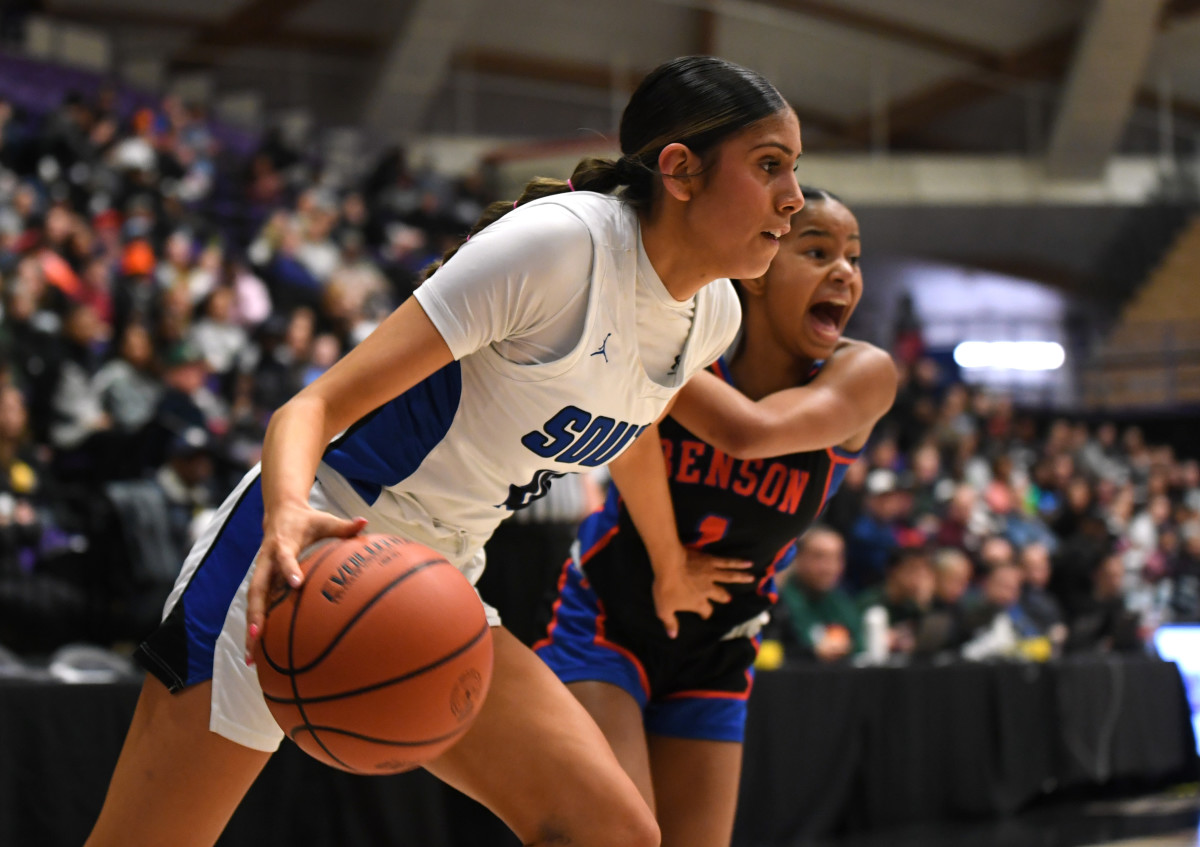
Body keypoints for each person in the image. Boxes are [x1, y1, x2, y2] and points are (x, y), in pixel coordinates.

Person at [85, 55, 803, 847]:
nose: (794, 198)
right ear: (680, 170)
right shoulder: (560, 249)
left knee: (614, 831)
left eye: (795, 170)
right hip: (307, 544)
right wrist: (287, 516)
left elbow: (630, 425)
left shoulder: (713, 317)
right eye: (770, 166)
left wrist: (668, 562)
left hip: (436, 574)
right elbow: (312, 405)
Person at [534, 187, 896, 847]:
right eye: (817, 250)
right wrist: (669, 562)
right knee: (614, 835)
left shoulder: (864, 373)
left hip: (721, 642)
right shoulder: (688, 339)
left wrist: (628, 334)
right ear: (757, 271)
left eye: (853, 256)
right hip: (611, 613)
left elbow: (749, 433)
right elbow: (629, 437)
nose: (844, 271)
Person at [766, 525, 863, 663]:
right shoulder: (777, 601)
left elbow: (860, 644)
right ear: (798, 558)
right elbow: (770, 654)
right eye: (819, 557)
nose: (829, 567)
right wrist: (812, 653)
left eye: (836, 558)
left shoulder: (842, 602)